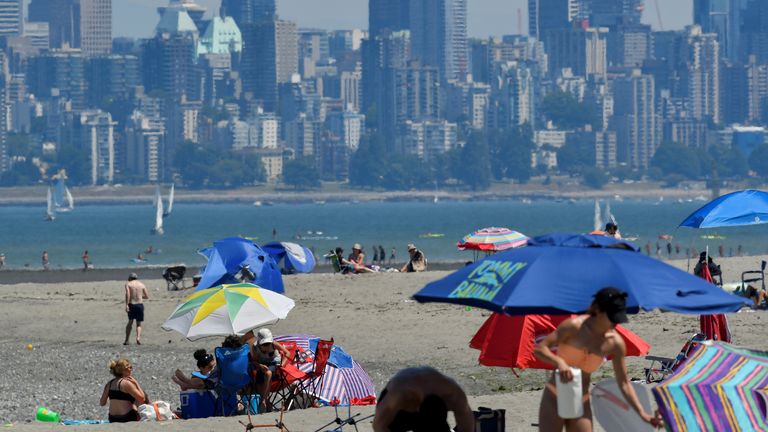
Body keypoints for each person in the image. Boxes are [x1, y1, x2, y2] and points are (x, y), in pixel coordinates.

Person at [534, 287, 663, 431]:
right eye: (613, 318)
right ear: (598, 311)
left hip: (581, 400)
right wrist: (559, 362)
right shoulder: (574, 327)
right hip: (554, 395)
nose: (615, 323)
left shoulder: (615, 343)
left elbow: (624, 383)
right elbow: (540, 349)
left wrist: (642, 414)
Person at [373, 366, 474, 432]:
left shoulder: (453, 394)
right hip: (399, 411)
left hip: (433, 408)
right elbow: (379, 426)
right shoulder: (398, 395)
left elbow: (467, 427)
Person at [249, 328, 290, 413]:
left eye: (268, 343)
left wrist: (282, 364)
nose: (267, 346)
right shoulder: (255, 347)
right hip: (262, 366)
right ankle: (267, 403)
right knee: (261, 380)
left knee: (268, 373)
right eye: (265, 344)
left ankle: (263, 400)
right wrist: (260, 366)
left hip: (274, 364)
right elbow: (254, 361)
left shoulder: (273, 344)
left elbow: (287, 353)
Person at [99, 358, 146, 423]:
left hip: (112, 418)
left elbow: (102, 403)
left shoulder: (109, 384)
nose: (131, 370)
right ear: (124, 370)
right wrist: (136, 383)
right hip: (127, 417)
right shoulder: (126, 383)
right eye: (130, 367)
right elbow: (142, 399)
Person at [124, 273, 149, 345]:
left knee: (130, 322)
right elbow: (147, 296)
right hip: (140, 305)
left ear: (130, 278)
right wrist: (140, 296)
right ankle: (138, 338)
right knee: (139, 324)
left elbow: (128, 294)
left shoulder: (128, 284)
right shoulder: (142, 284)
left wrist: (127, 305)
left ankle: (127, 340)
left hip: (132, 304)